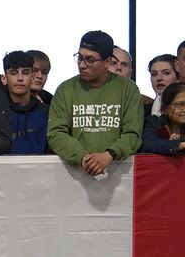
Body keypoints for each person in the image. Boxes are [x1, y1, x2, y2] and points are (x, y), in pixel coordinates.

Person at [46, 30, 142, 176]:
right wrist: (83, 157)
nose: (82, 65)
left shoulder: (128, 89)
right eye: (79, 57)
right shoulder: (65, 89)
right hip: (73, 173)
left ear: (107, 62)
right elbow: (56, 133)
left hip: (117, 173)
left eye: (90, 60)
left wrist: (109, 155)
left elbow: (133, 133)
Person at [1, 50, 48, 154]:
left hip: (40, 169)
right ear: (4, 79)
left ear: (32, 77)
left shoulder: (46, 112)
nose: (20, 78)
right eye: (14, 73)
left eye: (25, 73)